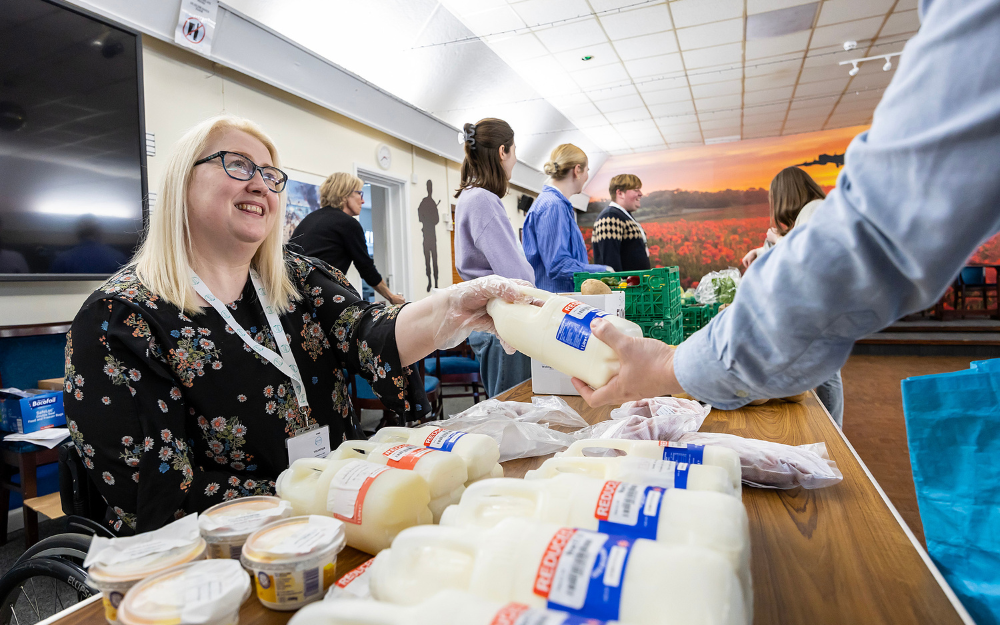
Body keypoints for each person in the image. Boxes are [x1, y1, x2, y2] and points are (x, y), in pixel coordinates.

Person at [64, 115, 534, 534]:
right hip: (229, 554)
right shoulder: (119, 319)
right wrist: (312, 497)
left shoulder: (297, 276)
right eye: (238, 165)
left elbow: (372, 334)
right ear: (180, 183)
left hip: (341, 518)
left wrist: (458, 306)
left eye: (270, 175)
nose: (261, 185)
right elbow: (160, 492)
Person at [569, 0, 1000, 417]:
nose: (641, 198)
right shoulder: (609, 220)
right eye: (636, 192)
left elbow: (870, 235)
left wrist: (671, 367)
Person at [740, 167, 844, 426]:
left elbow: (805, 255)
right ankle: (832, 427)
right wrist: (760, 249)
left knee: (828, 374)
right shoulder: (812, 212)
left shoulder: (816, 210)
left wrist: (775, 242)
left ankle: (835, 430)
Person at [453, 118, 534, 397]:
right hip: (503, 325)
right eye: (514, 152)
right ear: (503, 152)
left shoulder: (469, 196)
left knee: (504, 411)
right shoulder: (483, 200)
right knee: (512, 412)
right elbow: (519, 279)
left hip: (492, 323)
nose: (514, 160)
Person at [290, 173, 405, 305]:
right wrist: (391, 297)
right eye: (360, 194)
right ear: (345, 194)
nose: (363, 201)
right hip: (318, 298)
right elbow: (367, 268)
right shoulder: (348, 223)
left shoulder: (310, 219)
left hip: (295, 298)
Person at [522, 144, 611, 292]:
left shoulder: (558, 205)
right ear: (577, 170)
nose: (586, 177)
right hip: (555, 304)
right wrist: (603, 271)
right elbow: (558, 265)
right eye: (587, 171)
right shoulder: (553, 206)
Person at [741, 166, 825, 270]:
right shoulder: (815, 209)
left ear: (786, 197)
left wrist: (777, 238)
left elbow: (802, 256)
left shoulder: (813, 209)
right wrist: (758, 252)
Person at [593, 174, 650, 271]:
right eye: (636, 190)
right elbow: (610, 262)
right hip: (625, 285)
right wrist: (618, 285)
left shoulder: (622, 215)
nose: (640, 193)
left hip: (633, 285)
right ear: (620, 193)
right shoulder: (610, 217)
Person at [417, 179, 440, 292]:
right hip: (426, 236)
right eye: (428, 187)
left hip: (432, 236)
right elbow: (420, 216)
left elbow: (436, 220)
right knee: (427, 261)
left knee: (434, 260)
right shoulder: (424, 202)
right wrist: (426, 219)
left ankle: (436, 283)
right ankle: (429, 282)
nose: (429, 189)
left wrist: (430, 218)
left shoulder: (432, 203)